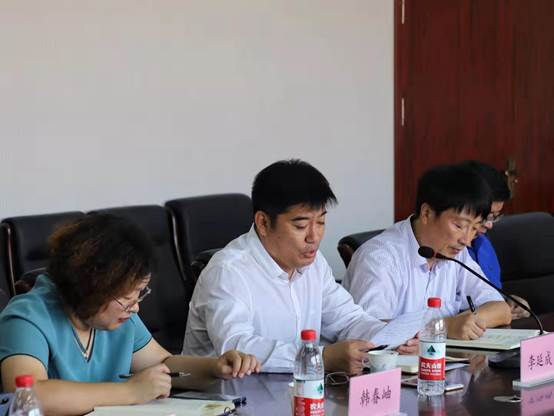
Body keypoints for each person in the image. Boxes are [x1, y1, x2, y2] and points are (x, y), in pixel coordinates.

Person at [0, 214, 260, 415]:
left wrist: (215, 367)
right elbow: (29, 395)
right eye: (126, 297)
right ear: (90, 288)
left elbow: (165, 365)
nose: (135, 307)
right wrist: (129, 391)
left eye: (139, 294)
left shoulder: (118, 316)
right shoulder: (26, 318)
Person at [182, 159, 418, 375]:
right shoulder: (228, 271)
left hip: (295, 391)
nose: (314, 237)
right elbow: (236, 347)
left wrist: (393, 337)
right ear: (263, 223)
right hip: (221, 398)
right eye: (301, 226)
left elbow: (348, 320)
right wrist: (321, 358)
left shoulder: (314, 264)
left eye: (321, 222)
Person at [343, 164, 511, 340]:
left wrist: (469, 322)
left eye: (474, 228)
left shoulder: (456, 253)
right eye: (459, 226)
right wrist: (444, 327)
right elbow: (366, 333)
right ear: (426, 213)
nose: (466, 240)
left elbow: (501, 309)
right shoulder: (379, 257)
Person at [462, 160, 530, 319]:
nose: (490, 225)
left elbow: (489, 294)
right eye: (486, 216)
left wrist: (509, 302)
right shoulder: (448, 250)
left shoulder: (483, 243)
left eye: (495, 216)